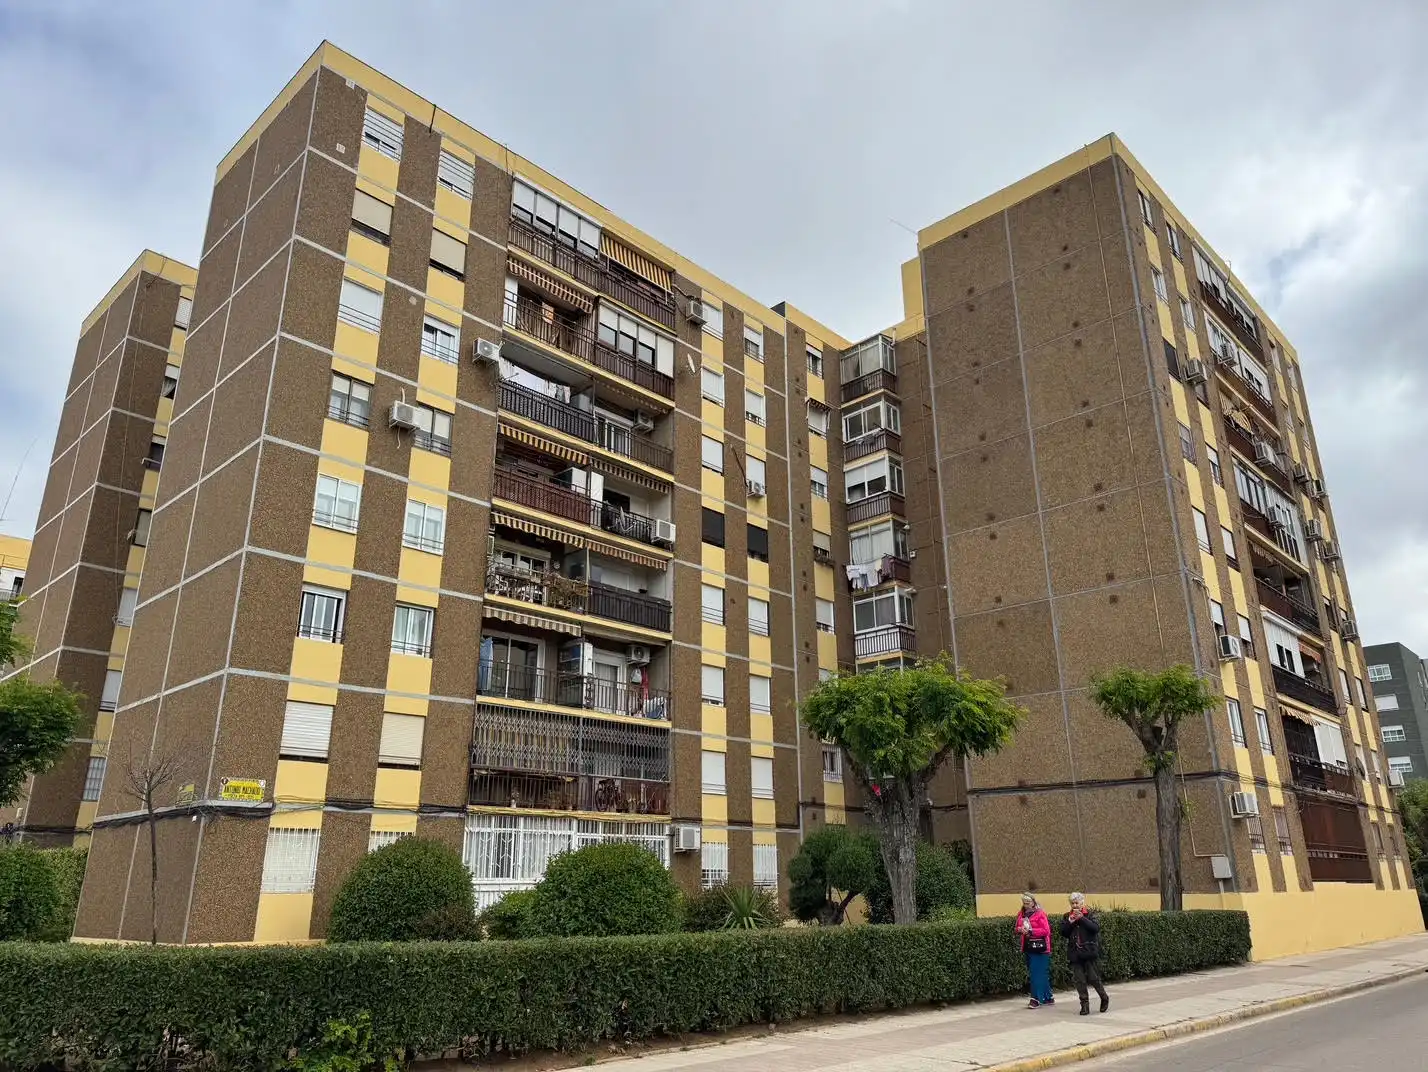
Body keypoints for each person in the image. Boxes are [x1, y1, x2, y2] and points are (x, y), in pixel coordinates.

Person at [1060, 892, 1109, 1016]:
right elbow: (1064, 933)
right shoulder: (1067, 916)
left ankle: (1104, 997)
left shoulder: (1090, 914)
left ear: (1082, 903)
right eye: (1072, 903)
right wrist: (1070, 922)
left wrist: (1082, 918)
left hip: (1088, 951)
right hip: (1075, 953)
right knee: (1079, 980)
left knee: (1093, 978)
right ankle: (1084, 1005)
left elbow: (1095, 928)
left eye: (1077, 903)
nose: (1075, 905)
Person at [1015, 892, 1054, 1008]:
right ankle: (1048, 997)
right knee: (1039, 973)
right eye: (1024, 903)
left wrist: (1031, 931)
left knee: (1036, 974)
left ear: (1033, 902)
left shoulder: (1040, 914)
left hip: (1040, 948)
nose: (1026, 905)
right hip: (1028, 947)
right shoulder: (1021, 914)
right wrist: (1020, 929)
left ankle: (1035, 999)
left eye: (1028, 903)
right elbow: (1016, 927)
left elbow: (1046, 931)